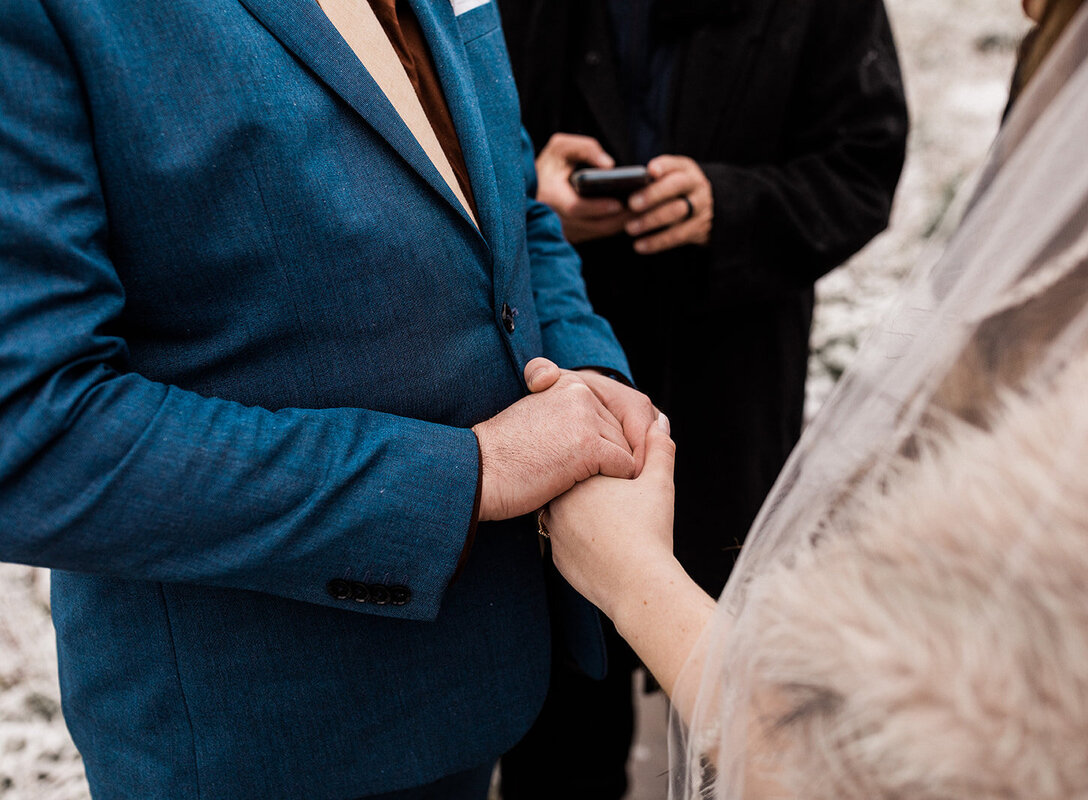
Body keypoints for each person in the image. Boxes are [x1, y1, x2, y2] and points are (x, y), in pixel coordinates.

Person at [539, 0, 1088, 796]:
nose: (1021, 7)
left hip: (731, 397)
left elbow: (841, 762)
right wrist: (538, 197)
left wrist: (631, 577)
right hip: (569, 375)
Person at [0, 0, 657, 797]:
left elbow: (509, 205)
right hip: (268, 732)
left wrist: (593, 380)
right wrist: (470, 474)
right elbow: (35, 437)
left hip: (486, 674)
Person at [494, 1, 908, 794]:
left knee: (745, 717)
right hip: (563, 400)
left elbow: (864, 167)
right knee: (563, 741)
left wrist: (733, 204)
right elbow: (477, 151)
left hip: (736, 407)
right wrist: (539, 197)